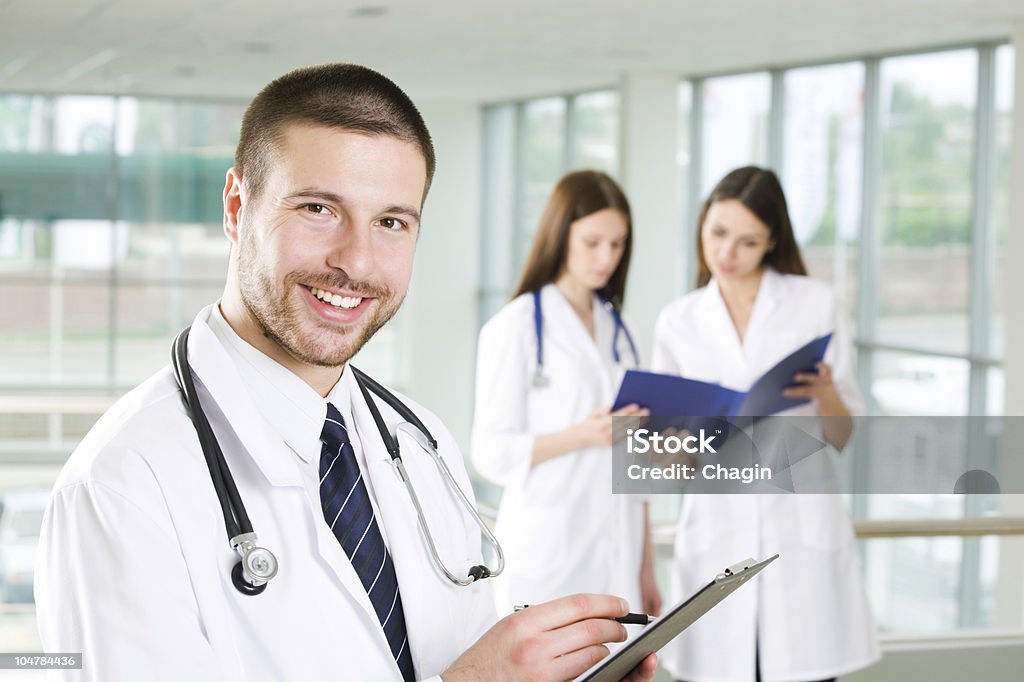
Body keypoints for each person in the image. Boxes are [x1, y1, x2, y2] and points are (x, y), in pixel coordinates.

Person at [35, 64, 657, 682]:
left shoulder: (422, 444)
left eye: (391, 222)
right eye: (318, 209)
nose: (355, 261)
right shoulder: (121, 488)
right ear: (235, 207)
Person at [651, 166, 879, 682]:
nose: (728, 254)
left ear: (772, 241)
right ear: (702, 225)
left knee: (805, 669)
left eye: (748, 241)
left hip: (798, 534)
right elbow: (670, 458)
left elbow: (844, 437)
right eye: (718, 234)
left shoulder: (814, 304)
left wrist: (826, 395)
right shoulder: (679, 320)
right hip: (717, 530)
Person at [471, 170, 660, 619]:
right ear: (561, 234)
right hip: (548, 556)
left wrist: (647, 568)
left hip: (620, 554)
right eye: (593, 242)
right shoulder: (515, 327)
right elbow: (489, 453)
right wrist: (581, 435)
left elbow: (638, 467)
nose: (606, 257)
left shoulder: (624, 331)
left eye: (617, 245)